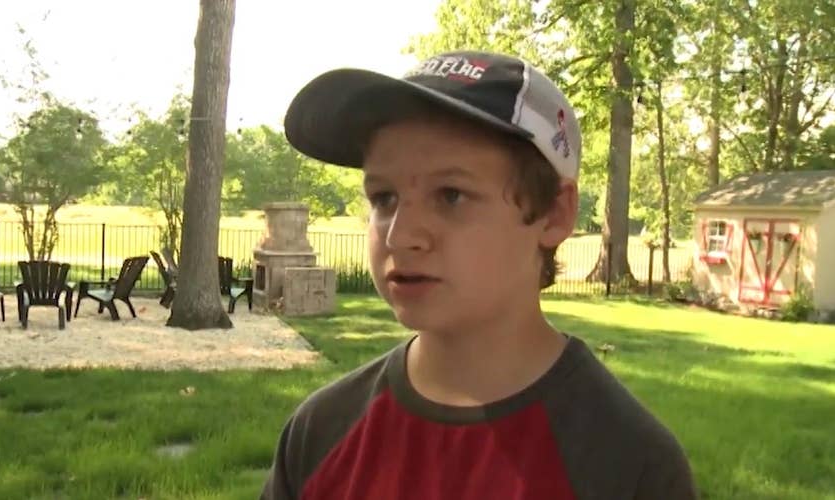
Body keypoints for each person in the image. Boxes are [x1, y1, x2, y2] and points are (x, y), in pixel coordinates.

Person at [261, 50, 697, 500]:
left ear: (553, 213)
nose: (401, 235)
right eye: (384, 197)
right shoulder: (320, 434)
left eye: (450, 195)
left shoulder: (630, 467)